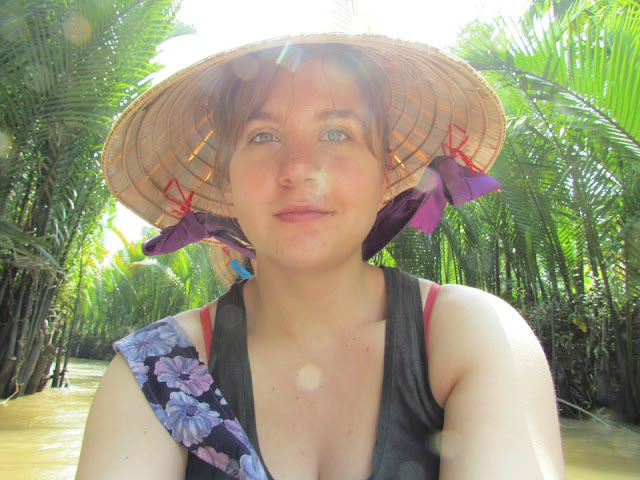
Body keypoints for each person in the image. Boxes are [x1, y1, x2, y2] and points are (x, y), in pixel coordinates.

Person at [77, 33, 565, 479]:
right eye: (263, 136)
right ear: (228, 181)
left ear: (385, 172)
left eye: (337, 133)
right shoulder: (155, 374)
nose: (299, 169)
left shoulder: (471, 337)